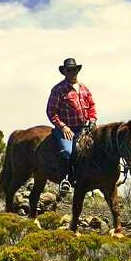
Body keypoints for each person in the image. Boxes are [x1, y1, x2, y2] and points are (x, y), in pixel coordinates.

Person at [46, 57, 97, 193]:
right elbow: (51, 112)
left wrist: (92, 119)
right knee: (67, 151)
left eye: (74, 70)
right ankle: (64, 180)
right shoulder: (58, 90)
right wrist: (63, 126)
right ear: (64, 72)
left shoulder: (84, 89)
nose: (72, 72)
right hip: (65, 129)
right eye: (69, 70)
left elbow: (91, 106)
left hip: (83, 127)